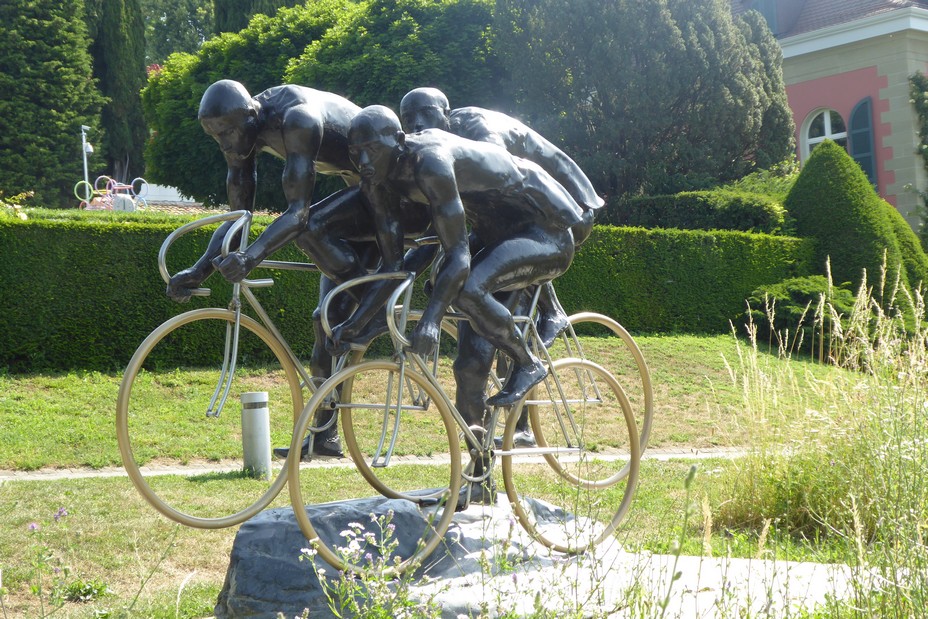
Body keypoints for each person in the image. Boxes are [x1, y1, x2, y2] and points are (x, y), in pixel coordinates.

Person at [340, 105, 584, 502]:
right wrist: (359, 325)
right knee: (469, 368)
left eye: (371, 150)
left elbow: (458, 255)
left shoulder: (431, 161)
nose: (363, 162)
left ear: (397, 143)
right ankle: (479, 478)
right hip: (496, 236)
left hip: (546, 231)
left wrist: (432, 321)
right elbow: (398, 264)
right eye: (355, 153)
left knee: (466, 287)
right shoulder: (382, 176)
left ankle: (527, 361)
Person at [399, 87, 605, 446]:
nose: (417, 124)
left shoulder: (478, 130)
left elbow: (513, 181)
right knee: (471, 334)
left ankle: (535, 345)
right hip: (503, 227)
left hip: (568, 209)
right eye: (408, 119)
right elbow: (447, 225)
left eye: (426, 115)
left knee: (493, 295)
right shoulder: (430, 154)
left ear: (446, 115)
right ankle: (483, 463)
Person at [169, 79, 364, 459]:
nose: (224, 144)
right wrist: (199, 271)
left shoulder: (298, 118)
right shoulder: (243, 136)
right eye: (215, 136)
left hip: (383, 188)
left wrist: (251, 257)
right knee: (323, 324)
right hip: (353, 185)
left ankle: (370, 290)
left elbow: (298, 214)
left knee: (313, 229)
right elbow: (238, 220)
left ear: (251, 115)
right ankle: (325, 437)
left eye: (226, 133)